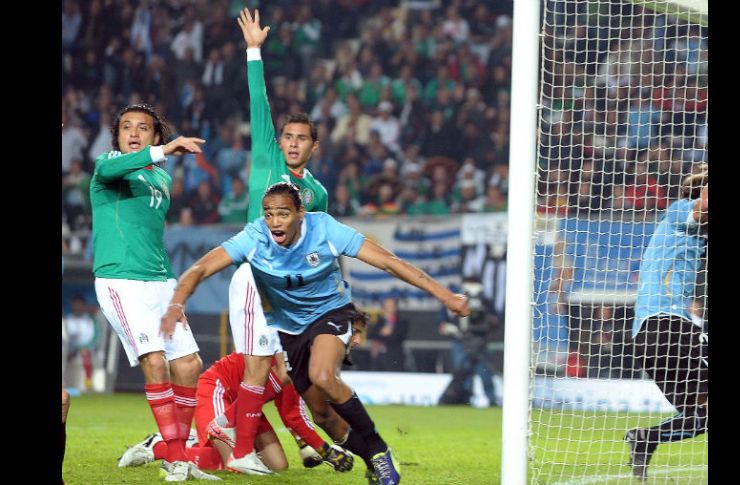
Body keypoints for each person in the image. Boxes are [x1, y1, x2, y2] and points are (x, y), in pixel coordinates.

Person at [160, 182, 470, 485]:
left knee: (322, 375)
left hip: (332, 313)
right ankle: (371, 462)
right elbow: (201, 268)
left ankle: (377, 448)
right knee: (322, 416)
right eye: (268, 214)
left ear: (300, 214)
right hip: (291, 332)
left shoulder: (325, 230)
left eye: (282, 214)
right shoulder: (255, 237)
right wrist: (176, 303)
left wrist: (445, 295)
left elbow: (389, 262)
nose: (274, 222)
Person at [210, 8, 333, 475]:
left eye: (303, 138)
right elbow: (257, 102)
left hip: (290, 287)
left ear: (314, 146)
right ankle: (236, 442)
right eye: (288, 137)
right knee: (260, 365)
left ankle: (290, 442)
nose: (293, 143)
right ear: (280, 141)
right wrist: (254, 50)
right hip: (254, 274)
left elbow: (320, 244)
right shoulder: (266, 158)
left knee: (286, 369)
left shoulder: (316, 194)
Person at [89, 103, 218, 482]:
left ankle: (162, 448)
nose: (133, 133)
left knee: (189, 365)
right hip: (120, 279)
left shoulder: (161, 181)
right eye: (126, 127)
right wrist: (163, 151)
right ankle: (177, 458)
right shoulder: (108, 165)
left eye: (143, 128)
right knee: (156, 362)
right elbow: (110, 168)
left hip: (160, 281)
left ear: (155, 134)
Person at [117, 308, 369, 473]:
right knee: (232, 467)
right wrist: (327, 450)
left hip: (249, 409)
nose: (357, 340)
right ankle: (159, 446)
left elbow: (292, 412)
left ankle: (194, 439)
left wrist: (321, 449)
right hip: (219, 390)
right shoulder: (298, 350)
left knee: (277, 466)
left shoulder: (311, 360)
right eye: (355, 332)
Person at [625, 164, 708, 481]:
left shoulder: (696, 236)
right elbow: (703, 207)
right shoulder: (678, 213)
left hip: (649, 337)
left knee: (699, 417)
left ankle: (646, 438)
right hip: (667, 326)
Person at [438, 277, 500, 407]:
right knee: (463, 371)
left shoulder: (486, 302)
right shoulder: (454, 299)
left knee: (484, 372)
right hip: (460, 340)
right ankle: (465, 399)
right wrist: (451, 328)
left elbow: (495, 321)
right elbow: (441, 323)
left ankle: (492, 400)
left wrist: (486, 317)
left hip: (480, 342)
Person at [368, 296, 409, 371]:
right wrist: (382, 333)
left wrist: (388, 333)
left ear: (395, 307)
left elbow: (399, 337)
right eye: (386, 305)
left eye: (391, 306)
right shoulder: (379, 321)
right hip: (378, 357)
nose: (388, 308)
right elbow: (371, 334)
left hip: (394, 357)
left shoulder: (402, 321)